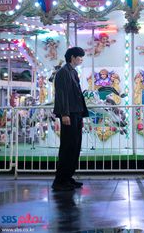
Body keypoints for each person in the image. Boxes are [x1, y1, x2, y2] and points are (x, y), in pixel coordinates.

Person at [52, 47, 89, 191]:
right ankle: (60, 180)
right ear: (72, 57)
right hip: (69, 114)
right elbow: (62, 95)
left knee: (75, 146)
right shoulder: (63, 73)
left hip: (76, 113)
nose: (81, 59)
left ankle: (68, 176)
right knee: (68, 146)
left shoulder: (72, 72)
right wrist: (65, 113)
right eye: (80, 56)